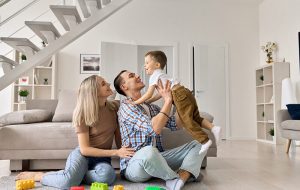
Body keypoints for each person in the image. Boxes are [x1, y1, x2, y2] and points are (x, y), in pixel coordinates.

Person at [16, 75, 135, 189]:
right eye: (103, 84)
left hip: (102, 159)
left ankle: (74, 175)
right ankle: (40, 176)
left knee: (108, 176)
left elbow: (120, 135)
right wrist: (116, 152)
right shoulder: (82, 114)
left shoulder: (114, 107)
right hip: (83, 156)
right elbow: (85, 149)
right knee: (67, 183)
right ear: (94, 92)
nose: (108, 84)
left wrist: (127, 153)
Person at [114, 70, 208, 190]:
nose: (137, 75)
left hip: (158, 158)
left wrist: (180, 101)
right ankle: (176, 178)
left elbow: (176, 125)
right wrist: (167, 101)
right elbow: (154, 129)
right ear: (124, 86)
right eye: (132, 76)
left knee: (200, 144)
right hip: (134, 165)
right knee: (149, 152)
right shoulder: (126, 107)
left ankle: (182, 176)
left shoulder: (149, 106)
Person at [134, 50, 221, 153]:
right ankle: (214, 128)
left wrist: (135, 102)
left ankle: (205, 141)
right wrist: (149, 101)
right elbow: (160, 94)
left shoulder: (154, 76)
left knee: (186, 121)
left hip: (178, 95)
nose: (145, 66)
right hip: (185, 92)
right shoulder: (161, 75)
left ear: (157, 65)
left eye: (147, 62)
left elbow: (148, 93)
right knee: (195, 117)